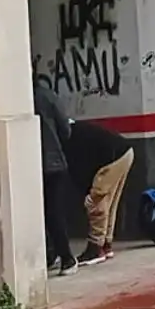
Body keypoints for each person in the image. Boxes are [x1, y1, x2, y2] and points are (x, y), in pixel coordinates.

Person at [64, 118, 135, 266]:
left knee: (97, 202)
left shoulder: (70, 142)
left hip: (112, 157)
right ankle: (106, 243)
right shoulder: (78, 129)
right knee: (111, 202)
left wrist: (89, 195)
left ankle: (95, 247)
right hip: (124, 152)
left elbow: (82, 170)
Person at [33, 79, 77, 275]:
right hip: (53, 162)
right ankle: (64, 256)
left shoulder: (20, 99)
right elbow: (65, 129)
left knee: (42, 213)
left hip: (32, 164)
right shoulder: (48, 96)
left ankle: (56, 254)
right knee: (54, 212)